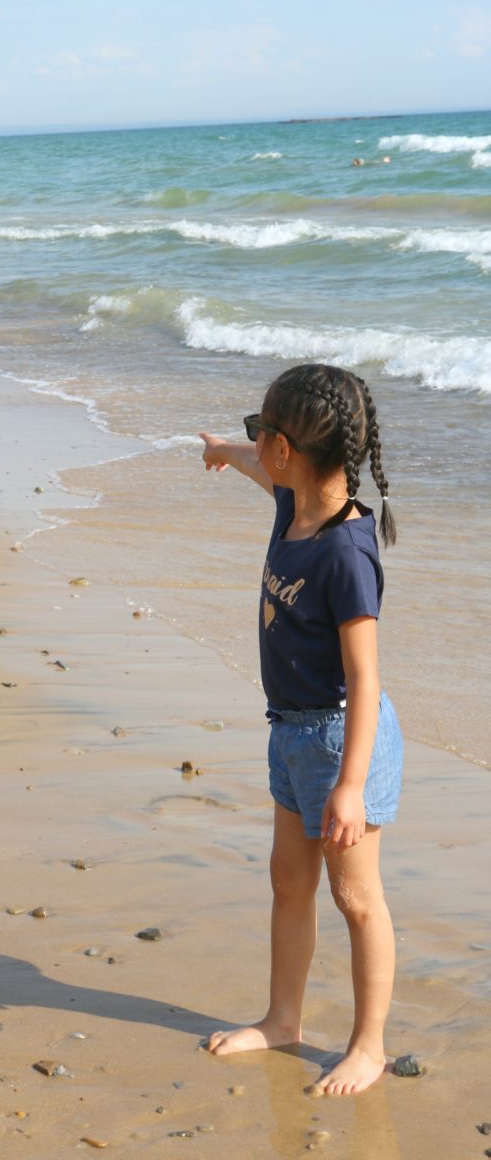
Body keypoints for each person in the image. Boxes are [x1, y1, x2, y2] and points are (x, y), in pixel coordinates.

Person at [198, 363, 402, 1096]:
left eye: (261, 432)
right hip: (290, 733)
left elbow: (367, 677)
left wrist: (349, 787)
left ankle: (369, 1046)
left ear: (291, 448)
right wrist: (226, 446)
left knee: (357, 899)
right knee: (290, 881)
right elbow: (261, 471)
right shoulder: (295, 503)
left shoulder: (346, 551)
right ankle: (283, 1019)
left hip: (344, 738)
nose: (257, 445)